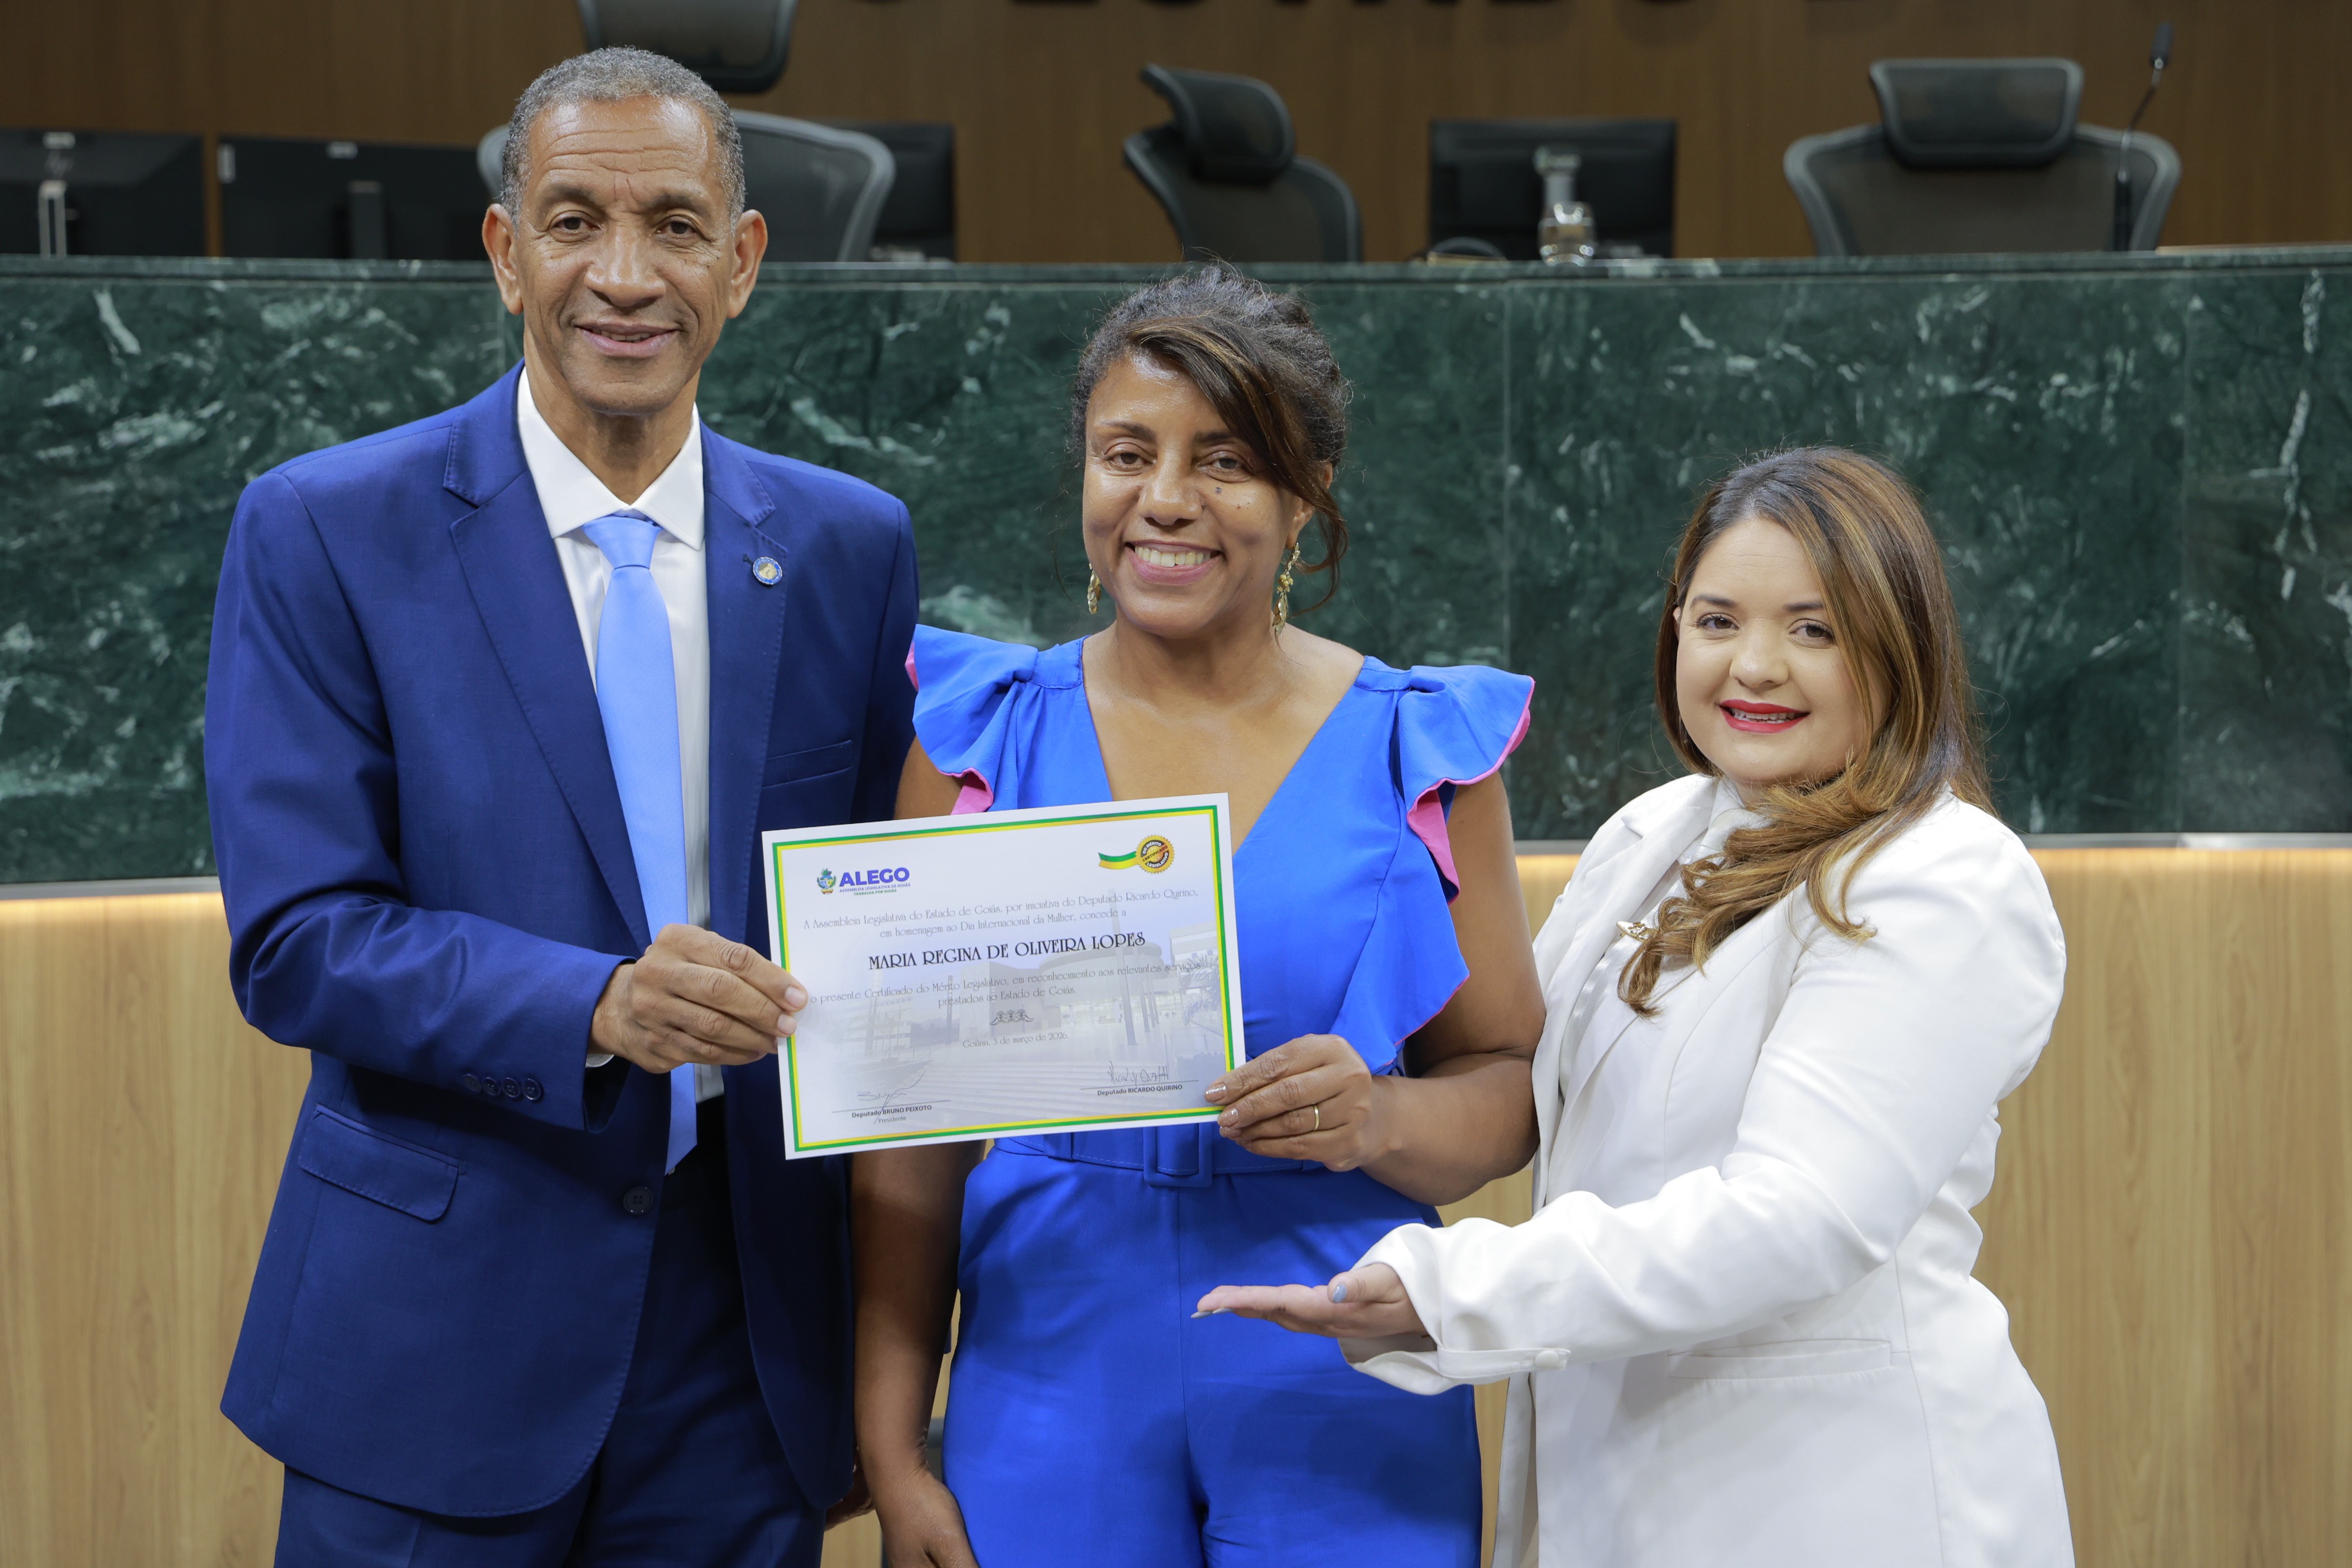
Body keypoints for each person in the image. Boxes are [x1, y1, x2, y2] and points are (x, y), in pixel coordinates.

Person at [204, 48, 917, 1565]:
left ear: (743, 262)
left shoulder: (851, 548)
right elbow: (298, 939)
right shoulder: (324, 528)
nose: (625, 275)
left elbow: (878, 907)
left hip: (744, 1356)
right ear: (506, 251)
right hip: (433, 1341)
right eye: (575, 220)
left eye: (675, 225)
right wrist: (595, 1004)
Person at [1202, 448, 2075, 1568]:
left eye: (1814, 630)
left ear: (1899, 647)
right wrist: (1362, 1103)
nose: (1753, 666)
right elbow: (1527, 1084)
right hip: (1620, 1485)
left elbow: (1800, 1217)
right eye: (1716, 621)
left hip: (1842, 1502)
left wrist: (1451, 1289)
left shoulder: (1943, 876)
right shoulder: (1654, 834)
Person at [853, 268, 1546, 1568]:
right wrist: (892, 1449)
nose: (1165, 497)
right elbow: (909, 1142)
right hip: (1046, 1368)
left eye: (1225, 460)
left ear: (1306, 494)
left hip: (1339, 1352)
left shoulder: (1420, 747)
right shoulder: (975, 740)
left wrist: (1381, 1118)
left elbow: (1508, 1083)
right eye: (1128, 453)